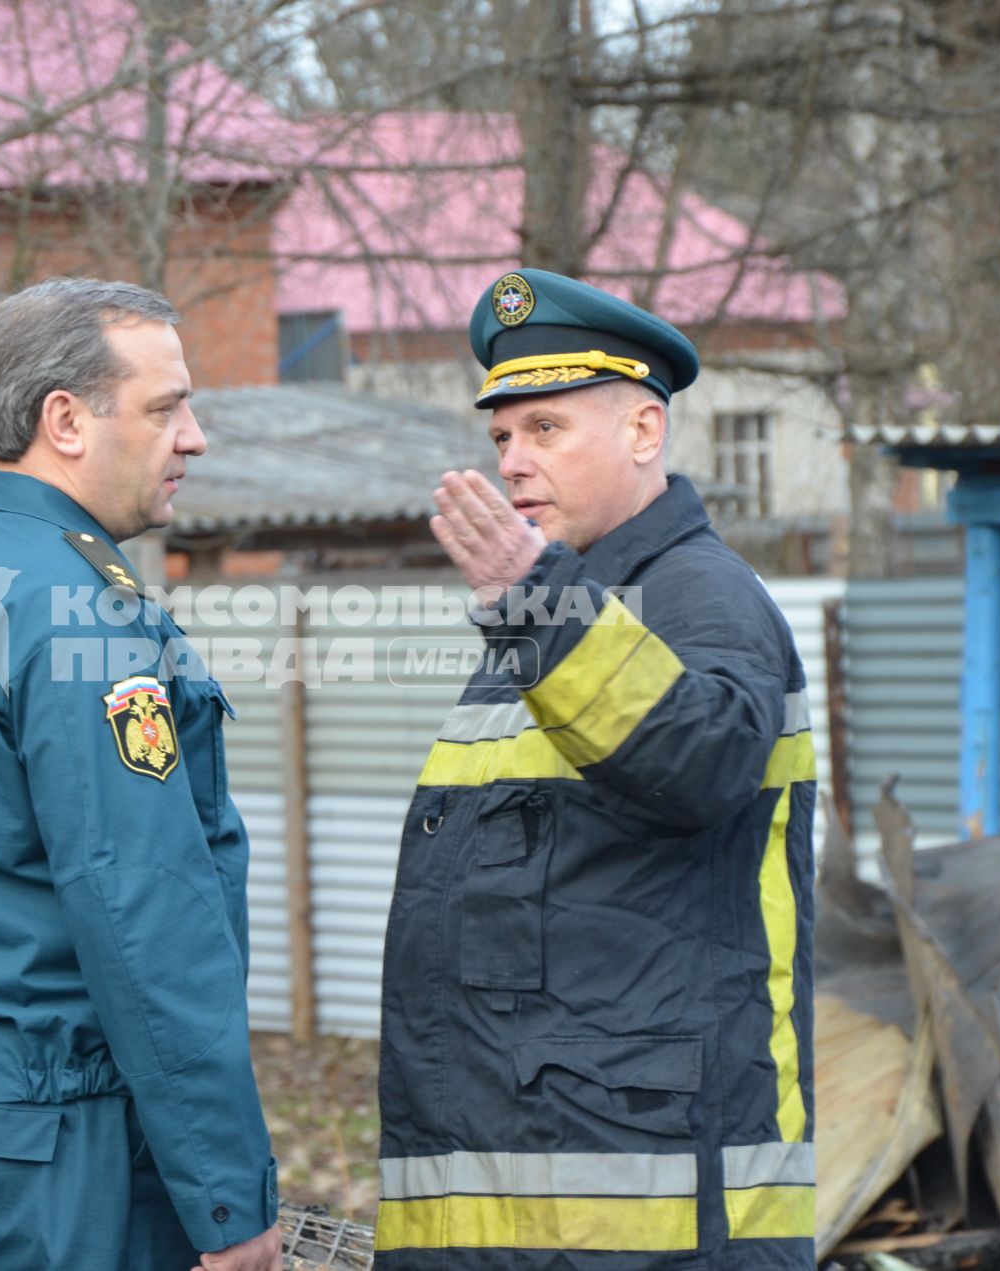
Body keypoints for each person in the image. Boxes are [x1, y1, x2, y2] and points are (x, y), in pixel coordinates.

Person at [0, 277, 282, 1271]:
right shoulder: (81, 612)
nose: (195, 436)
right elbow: (143, 913)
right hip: (63, 1129)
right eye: (166, 407)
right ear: (65, 420)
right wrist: (228, 1194)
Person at [374, 269, 816, 1270]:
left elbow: (703, 759)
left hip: (649, 1216)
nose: (515, 461)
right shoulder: (555, 610)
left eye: (547, 429)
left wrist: (532, 604)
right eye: (502, 436)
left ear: (645, 432)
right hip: (525, 1196)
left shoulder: (699, 595)